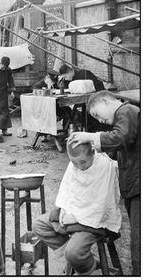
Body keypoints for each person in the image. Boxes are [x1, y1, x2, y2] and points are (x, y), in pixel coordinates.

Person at [67, 90, 140, 275]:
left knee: (139, 241)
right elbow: (121, 148)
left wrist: (91, 137)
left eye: (97, 114)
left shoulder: (127, 110)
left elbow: (122, 137)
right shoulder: (123, 120)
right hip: (133, 187)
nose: (99, 120)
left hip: (138, 186)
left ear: (107, 101)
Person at [33, 141, 121, 275]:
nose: (80, 167)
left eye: (83, 162)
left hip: (94, 221)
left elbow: (101, 205)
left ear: (92, 152)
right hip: (73, 216)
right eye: (75, 163)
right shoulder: (75, 163)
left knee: (73, 253)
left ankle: (86, 264)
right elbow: (66, 191)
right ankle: (83, 258)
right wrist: (63, 209)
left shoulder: (104, 166)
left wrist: (76, 218)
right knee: (39, 225)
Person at [33, 71, 71, 141]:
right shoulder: (38, 86)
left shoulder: (56, 83)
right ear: (47, 77)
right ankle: (44, 134)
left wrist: (60, 87)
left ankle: (65, 130)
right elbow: (37, 100)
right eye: (52, 81)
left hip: (56, 107)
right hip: (44, 108)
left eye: (54, 82)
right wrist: (48, 87)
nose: (53, 83)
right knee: (45, 114)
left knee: (68, 110)